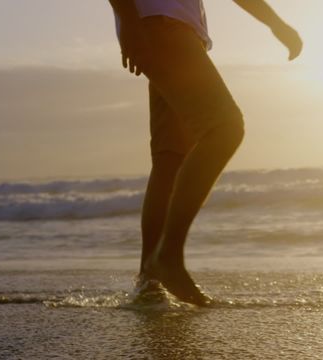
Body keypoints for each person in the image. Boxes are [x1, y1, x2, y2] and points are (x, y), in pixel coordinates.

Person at [107, 0, 302, 306]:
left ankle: (150, 281)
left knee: (170, 158)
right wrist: (130, 22)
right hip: (162, 28)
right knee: (225, 128)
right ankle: (167, 257)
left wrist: (274, 22)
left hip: (166, 31)